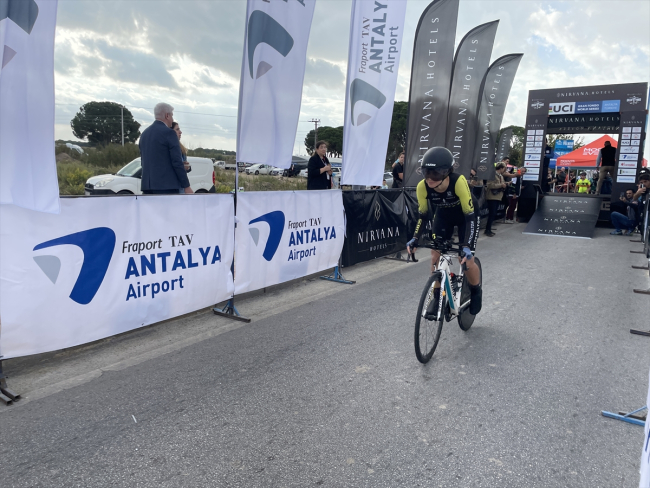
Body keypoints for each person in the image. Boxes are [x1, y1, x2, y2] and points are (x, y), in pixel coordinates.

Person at [405, 147, 482, 315]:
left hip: (466, 216)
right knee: (435, 256)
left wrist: (467, 246)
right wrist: (415, 238)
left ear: (447, 173)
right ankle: (437, 297)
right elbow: (423, 216)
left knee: (466, 260)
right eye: (426, 173)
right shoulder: (422, 187)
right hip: (444, 215)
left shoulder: (458, 181)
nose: (430, 179)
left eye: (435, 174)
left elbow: (469, 217)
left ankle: (476, 290)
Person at [139, 102, 192, 195]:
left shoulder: (144, 134)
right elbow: (176, 161)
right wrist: (186, 186)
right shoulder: (169, 133)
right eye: (172, 115)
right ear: (167, 115)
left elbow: (145, 161)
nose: (172, 119)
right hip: (166, 187)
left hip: (147, 187)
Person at [484, 162, 508, 237]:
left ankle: (489, 229)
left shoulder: (501, 176)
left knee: (493, 214)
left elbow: (502, 183)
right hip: (492, 197)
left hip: (498, 197)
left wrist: (506, 184)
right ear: (500, 168)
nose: (505, 170)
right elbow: (490, 185)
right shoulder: (492, 175)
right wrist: (501, 185)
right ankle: (487, 230)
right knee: (491, 213)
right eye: (504, 168)